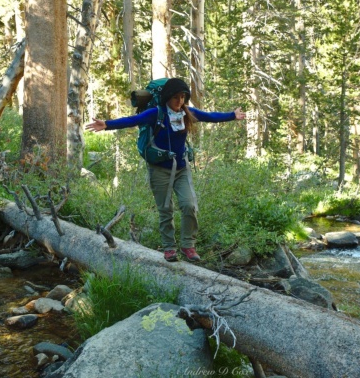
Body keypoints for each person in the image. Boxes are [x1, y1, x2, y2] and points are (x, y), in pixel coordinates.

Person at [86, 78, 246, 262]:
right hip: (159, 170)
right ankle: (169, 248)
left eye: (183, 97)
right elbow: (133, 120)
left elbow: (210, 116)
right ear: (167, 98)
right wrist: (107, 124)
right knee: (165, 209)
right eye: (176, 97)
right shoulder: (156, 114)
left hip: (181, 169)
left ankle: (188, 246)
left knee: (190, 205)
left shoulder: (187, 113)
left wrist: (232, 115)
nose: (180, 101)